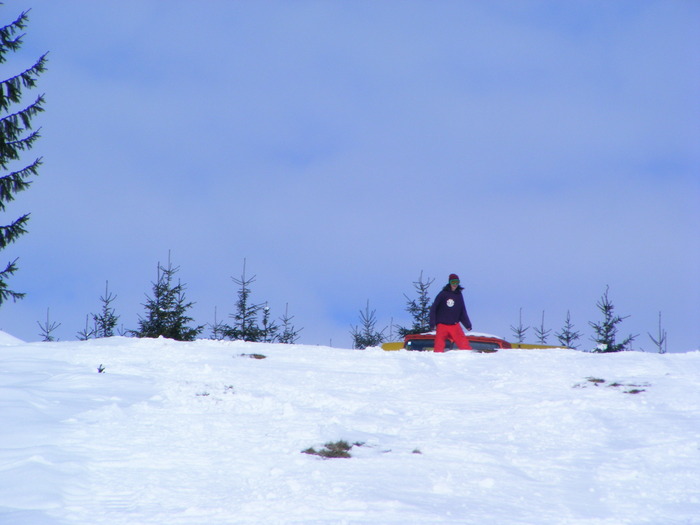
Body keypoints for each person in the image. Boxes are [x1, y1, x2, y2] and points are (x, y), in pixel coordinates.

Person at [429, 273, 473, 353]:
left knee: (464, 344)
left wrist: (467, 324)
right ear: (449, 282)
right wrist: (432, 323)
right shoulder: (443, 294)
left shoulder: (459, 295)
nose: (455, 284)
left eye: (457, 282)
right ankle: (438, 359)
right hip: (442, 325)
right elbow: (434, 308)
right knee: (439, 345)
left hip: (454, 325)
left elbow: (462, 310)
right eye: (453, 282)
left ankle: (469, 359)